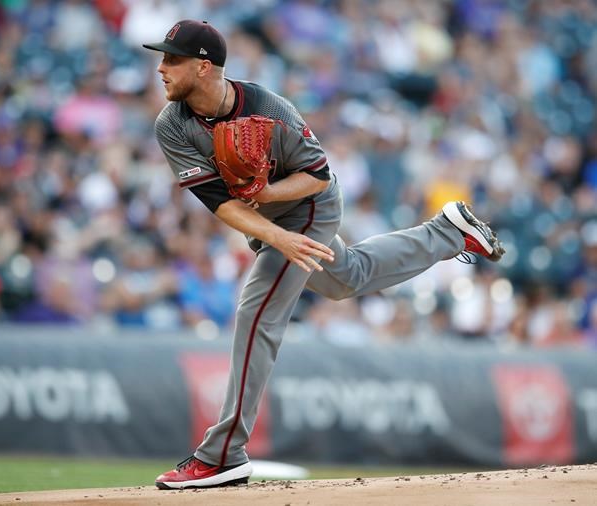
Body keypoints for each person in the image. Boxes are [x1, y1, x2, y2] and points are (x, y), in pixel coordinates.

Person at [143, 19, 505, 490]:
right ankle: (447, 232)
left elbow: (317, 175)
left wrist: (270, 199)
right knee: (346, 277)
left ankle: (223, 453)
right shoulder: (171, 125)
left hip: (312, 205)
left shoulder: (272, 111)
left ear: (205, 67)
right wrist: (274, 233)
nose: (161, 68)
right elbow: (223, 204)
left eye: (172, 58)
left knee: (257, 309)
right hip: (269, 221)